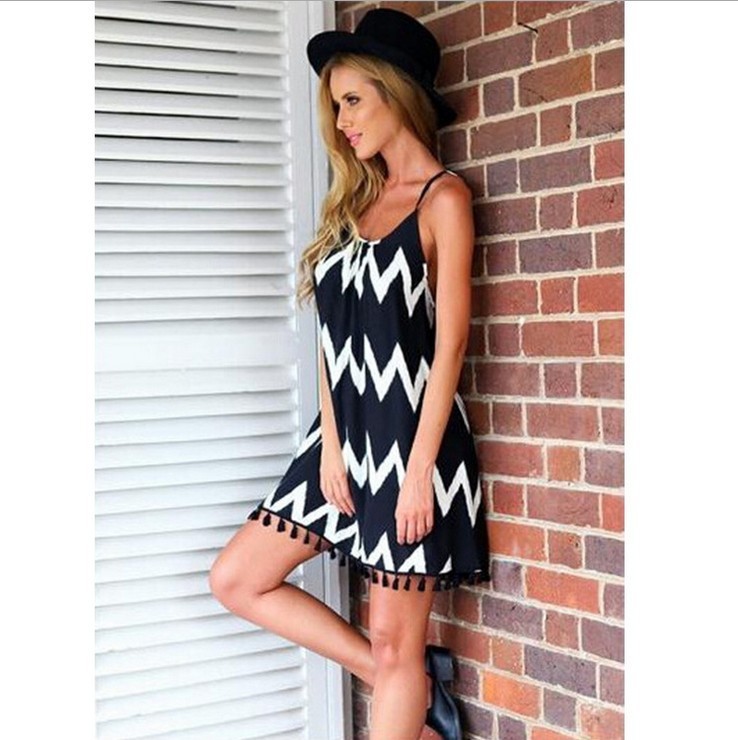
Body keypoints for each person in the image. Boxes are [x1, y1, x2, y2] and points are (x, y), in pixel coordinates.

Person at [209, 8, 491, 740]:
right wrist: (332, 445)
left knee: (398, 643)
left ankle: (406, 688)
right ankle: (411, 692)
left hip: (413, 441)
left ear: (397, 94)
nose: (341, 122)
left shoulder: (444, 199)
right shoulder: (354, 203)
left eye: (353, 100)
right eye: (336, 105)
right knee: (237, 579)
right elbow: (332, 341)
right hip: (343, 437)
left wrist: (419, 470)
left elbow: (451, 347)